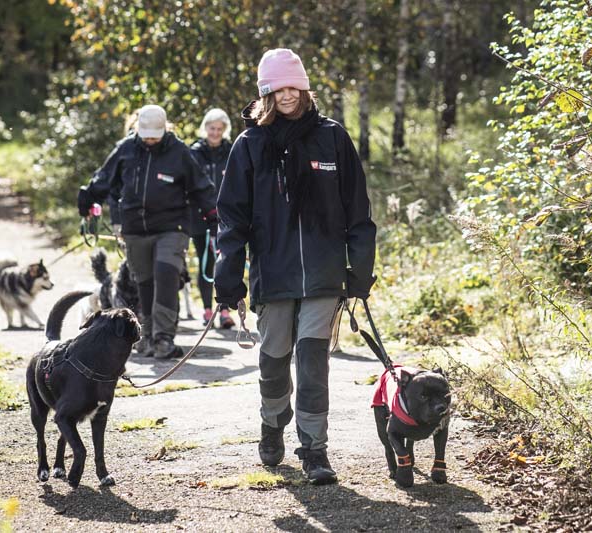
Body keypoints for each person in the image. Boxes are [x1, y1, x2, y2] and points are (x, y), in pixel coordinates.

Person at [214, 49, 376, 485]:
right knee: (273, 361)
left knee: (312, 361)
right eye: (277, 88)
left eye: (293, 86)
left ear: (304, 88)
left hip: (324, 274)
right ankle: (272, 421)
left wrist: (360, 269)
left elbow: (357, 209)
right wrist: (227, 275)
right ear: (265, 93)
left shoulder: (332, 137)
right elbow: (232, 217)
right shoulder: (249, 145)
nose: (287, 95)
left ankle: (314, 448)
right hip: (274, 273)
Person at [77, 104, 217, 359]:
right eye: (146, 133)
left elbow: (201, 188)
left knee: (166, 275)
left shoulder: (179, 152)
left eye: (155, 133)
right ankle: (146, 336)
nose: (151, 138)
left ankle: (163, 338)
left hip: (171, 227)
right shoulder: (126, 149)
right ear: (138, 129)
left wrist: (215, 218)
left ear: (165, 129)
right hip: (135, 229)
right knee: (143, 283)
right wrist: (87, 200)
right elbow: (104, 179)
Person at [188, 108, 235, 329]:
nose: (215, 133)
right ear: (205, 128)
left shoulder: (232, 151)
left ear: (225, 130)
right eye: (211, 128)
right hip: (201, 220)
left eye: (219, 129)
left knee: (226, 265)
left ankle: (225, 309)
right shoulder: (194, 153)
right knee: (206, 265)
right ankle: (207, 310)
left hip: (227, 220)